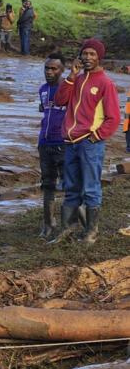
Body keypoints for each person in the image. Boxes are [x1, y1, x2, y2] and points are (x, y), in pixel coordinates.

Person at [51, 39, 121, 245]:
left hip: (90, 143)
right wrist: (71, 76)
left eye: (92, 54)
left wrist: (96, 136)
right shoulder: (78, 79)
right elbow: (60, 100)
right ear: (80, 56)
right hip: (71, 142)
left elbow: (114, 118)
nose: (88, 57)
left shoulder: (105, 83)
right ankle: (68, 230)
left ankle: (91, 233)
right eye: (85, 54)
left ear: (99, 56)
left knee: (90, 188)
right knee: (71, 187)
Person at [38, 57, 67, 239]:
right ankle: (48, 225)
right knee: (47, 185)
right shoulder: (42, 90)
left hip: (64, 144)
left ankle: (68, 226)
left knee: (68, 187)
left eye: (54, 69)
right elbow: (44, 110)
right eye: (47, 68)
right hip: (44, 144)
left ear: (61, 70)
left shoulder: (69, 90)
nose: (49, 72)